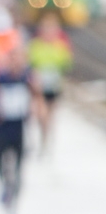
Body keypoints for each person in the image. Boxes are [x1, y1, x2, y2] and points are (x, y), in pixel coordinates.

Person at [0, 45, 39, 214]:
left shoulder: (27, 78)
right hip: (2, 127)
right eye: (13, 58)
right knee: (0, 163)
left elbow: (36, 97)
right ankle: (3, 185)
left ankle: (14, 205)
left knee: (18, 169)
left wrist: (35, 110)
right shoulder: (0, 78)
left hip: (20, 128)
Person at [28, 11, 71, 154]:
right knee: (42, 114)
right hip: (39, 86)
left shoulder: (60, 45)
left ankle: (46, 137)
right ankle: (44, 136)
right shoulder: (36, 45)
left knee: (51, 114)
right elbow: (31, 64)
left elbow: (66, 65)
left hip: (53, 85)